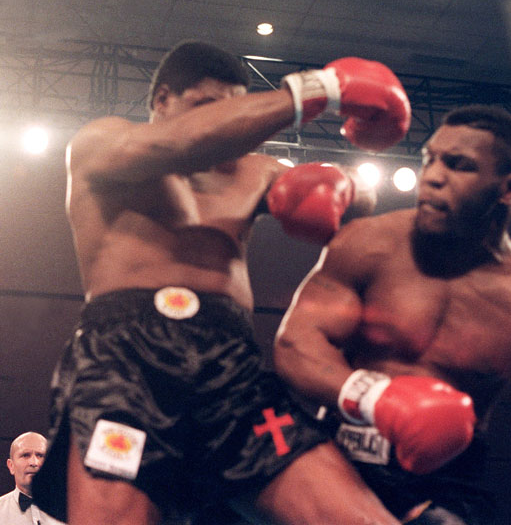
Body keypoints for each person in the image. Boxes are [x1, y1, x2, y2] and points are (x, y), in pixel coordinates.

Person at [31, 39, 412, 525]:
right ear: (162, 100)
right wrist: (320, 88)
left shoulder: (256, 171)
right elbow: (181, 143)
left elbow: (362, 202)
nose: (228, 125)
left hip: (231, 370)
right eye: (208, 106)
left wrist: (345, 187)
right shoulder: (105, 142)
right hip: (127, 368)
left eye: (235, 110)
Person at [274, 104, 511, 525]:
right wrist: (376, 398)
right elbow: (295, 344)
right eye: (430, 159)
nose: (433, 176)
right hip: (341, 457)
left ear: (510, 187)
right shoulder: (368, 244)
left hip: (449, 481)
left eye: (458, 165)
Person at [0, 432, 65, 524]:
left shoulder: (71, 510)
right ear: (11, 466)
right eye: (25, 455)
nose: (34, 462)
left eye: (40, 455)